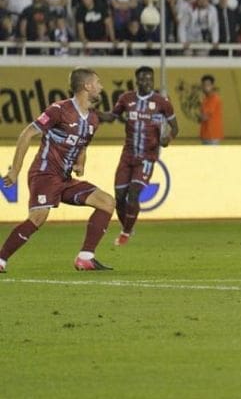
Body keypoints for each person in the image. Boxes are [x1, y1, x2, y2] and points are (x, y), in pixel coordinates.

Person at [0, 68, 117, 272]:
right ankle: (1, 259)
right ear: (87, 86)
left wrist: (81, 163)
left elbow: (83, 146)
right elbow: (27, 134)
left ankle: (86, 258)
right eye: (97, 83)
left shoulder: (93, 119)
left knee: (107, 202)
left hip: (64, 179)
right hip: (44, 174)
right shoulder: (58, 110)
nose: (101, 87)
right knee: (38, 217)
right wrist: (15, 170)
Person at [100, 66, 179, 246]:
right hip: (127, 156)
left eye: (150, 79)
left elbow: (175, 127)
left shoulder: (162, 102)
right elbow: (111, 117)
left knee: (133, 193)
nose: (147, 82)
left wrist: (168, 138)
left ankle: (125, 233)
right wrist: (93, 112)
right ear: (137, 81)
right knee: (119, 197)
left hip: (146, 157)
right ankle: (127, 226)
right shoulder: (126, 98)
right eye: (143, 79)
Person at [198, 74, 223, 144]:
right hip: (205, 135)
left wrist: (201, 116)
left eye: (208, 85)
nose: (205, 87)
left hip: (212, 136)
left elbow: (204, 117)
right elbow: (200, 118)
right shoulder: (205, 99)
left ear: (212, 86)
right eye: (203, 85)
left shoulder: (215, 99)